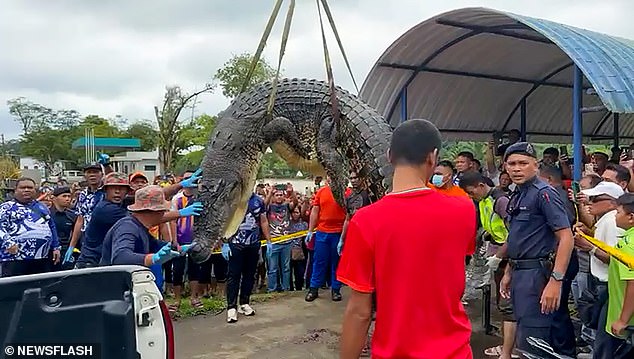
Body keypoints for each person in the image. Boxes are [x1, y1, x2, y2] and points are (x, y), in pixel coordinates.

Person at [337, 119, 476, 359]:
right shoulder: (464, 209)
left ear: (390, 156)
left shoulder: (366, 221)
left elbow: (359, 312)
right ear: (433, 157)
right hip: (455, 352)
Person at [500, 142, 575, 357]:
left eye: (523, 163)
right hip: (520, 273)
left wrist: (556, 281)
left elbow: (566, 237)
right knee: (525, 335)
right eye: (512, 164)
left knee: (536, 340)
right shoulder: (518, 194)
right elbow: (519, 238)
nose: (516, 168)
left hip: (538, 275)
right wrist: (508, 271)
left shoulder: (544, 194)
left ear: (535, 165)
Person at [459, 171, 517, 359]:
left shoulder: (501, 201)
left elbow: (515, 233)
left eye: (471, 192)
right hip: (498, 254)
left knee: (508, 304)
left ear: (481, 186)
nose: (470, 196)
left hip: (509, 258)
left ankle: (510, 349)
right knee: (502, 302)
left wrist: (500, 256)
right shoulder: (484, 201)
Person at [100, 185, 187, 267]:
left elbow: (154, 244)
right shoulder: (127, 227)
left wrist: (177, 248)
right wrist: (151, 259)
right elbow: (120, 257)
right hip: (113, 280)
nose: (163, 214)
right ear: (154, 211)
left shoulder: (140, 227)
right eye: (162, 211)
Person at [221, 193, 271, 323]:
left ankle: (244, 302)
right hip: (236, 244)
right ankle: (231, 307)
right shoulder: (232, 198)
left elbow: (263, 220)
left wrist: (268, 241)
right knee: (234, 275)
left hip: (253, 244)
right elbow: (225, 220)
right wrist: (225, 242)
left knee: (250, 275)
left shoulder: (258, 201)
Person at [0, 178, 61, 277]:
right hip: (14, 258)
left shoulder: (42, 207)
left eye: (30, 187)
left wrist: (56, 247)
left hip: (41, 257)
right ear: (15, 190)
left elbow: (51, 226)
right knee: (14, 289)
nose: (26, 190)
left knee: (39, 288)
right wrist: (8, 242)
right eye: (23, 187)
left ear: (35, 190)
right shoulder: (6, 207)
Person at [305, 176, 350, 302]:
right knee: (319, 261)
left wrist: (344, 237)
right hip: (322, 232)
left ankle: (335, 289)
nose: (331, 178)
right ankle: (313, 288)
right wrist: (310, 230)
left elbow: (349, 214)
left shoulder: (346, 193)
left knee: (336, 262)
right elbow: (315, 211)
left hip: (338, 233)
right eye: (329, 176)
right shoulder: (322, 192)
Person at [604, 193, 634, 358]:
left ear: (631, 217)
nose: (615, 216)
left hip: (628, 321)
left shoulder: (628, 244)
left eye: (618, 212)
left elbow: (633, 283)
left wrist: (623, 320)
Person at [50, 186, 78, 270]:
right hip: (50, 251)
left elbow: (76, 234)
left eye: (69, 196)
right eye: (64, 196)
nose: (67, 199)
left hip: (67, 250)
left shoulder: (72, 216)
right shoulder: (47, 214)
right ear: (54, 198)